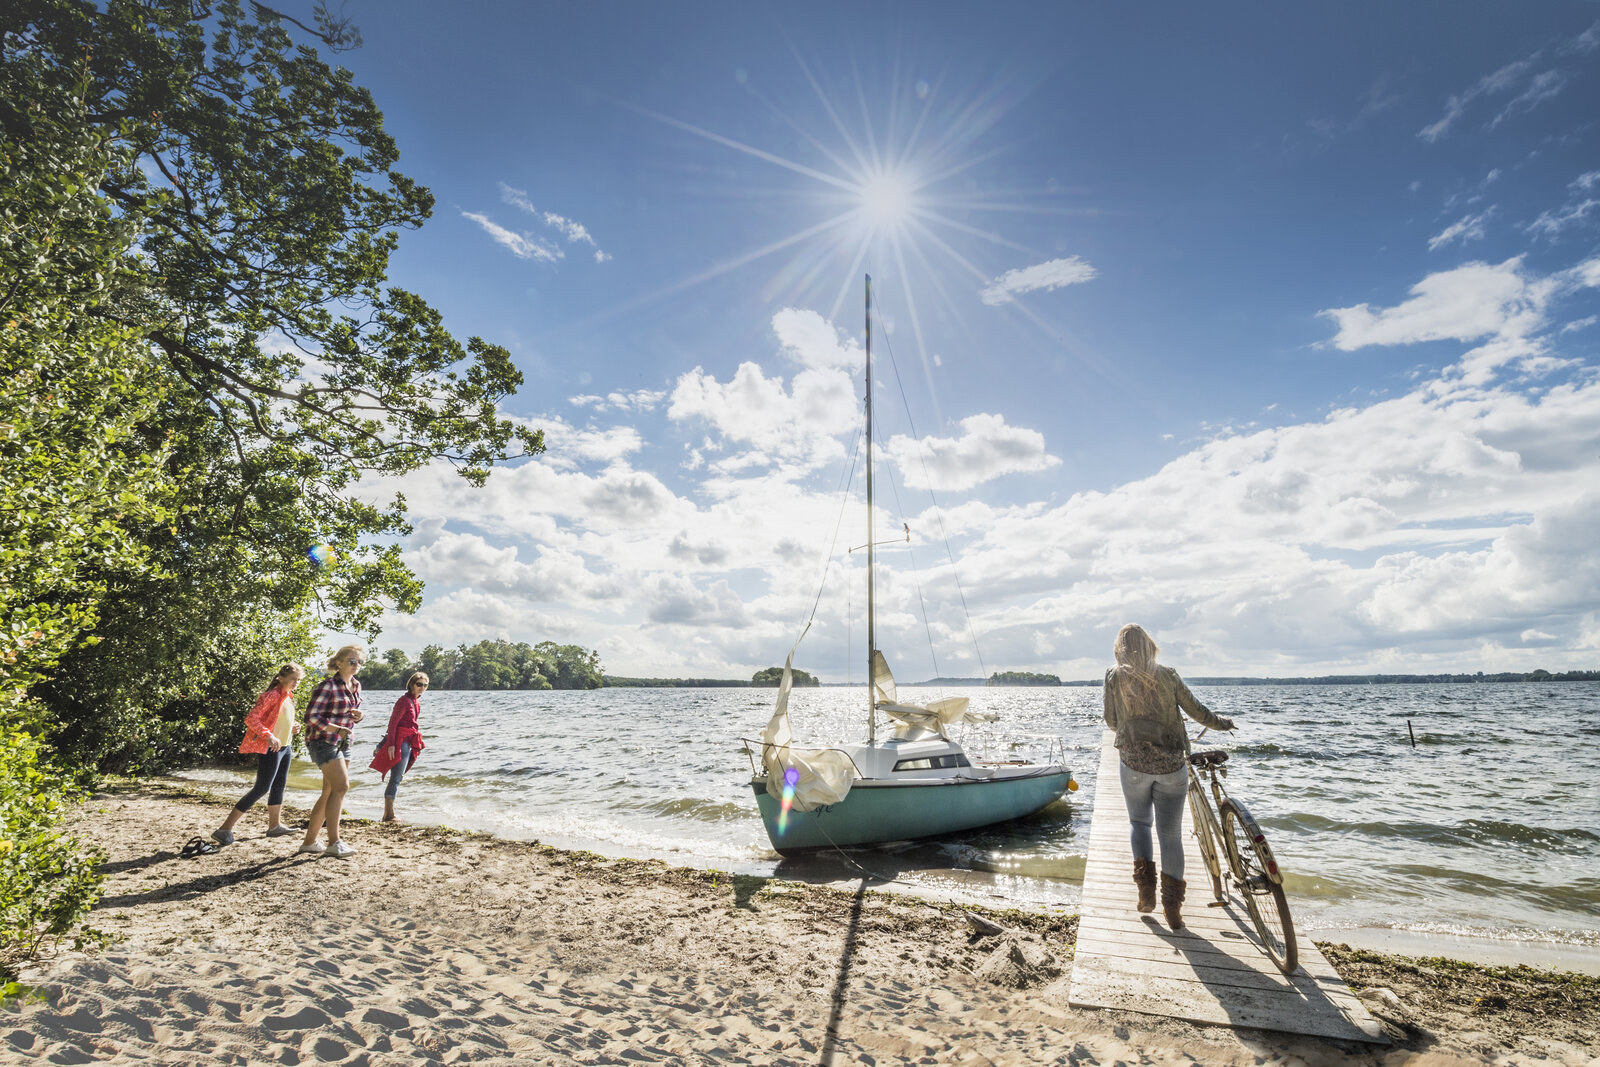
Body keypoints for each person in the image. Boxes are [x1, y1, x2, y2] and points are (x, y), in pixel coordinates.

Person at [1103, 623, 1234, 930]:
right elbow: (1198, 712)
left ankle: (1145, 892)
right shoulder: (1168, 675)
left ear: (1120, 648)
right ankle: (1172, 909)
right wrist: (1223, 723)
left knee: (1139, 823)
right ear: (1150, 647)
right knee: (1171, 835)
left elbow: (1111, 720)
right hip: (1171, 765)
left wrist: (1129, 727)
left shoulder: (1113, 676)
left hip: (1133, 763)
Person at [212, 663, 305, 845]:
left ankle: (274, 826)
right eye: (293, 679)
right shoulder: (271, 695)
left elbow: (279, 719)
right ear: (281, 678)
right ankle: (224, 829)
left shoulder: (288, 697)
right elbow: (251, 718)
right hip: (271, 748)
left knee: (279, 786)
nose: (296, 683)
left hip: (286, 747)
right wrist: (268, 736)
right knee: (262, 788)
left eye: (299, 680)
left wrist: (293, 726)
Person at [299, 645, 365, 859]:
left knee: (329, 791)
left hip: (344, 743)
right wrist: (337, 728)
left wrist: (358, 716)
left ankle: (309, 842)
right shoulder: (327, 686)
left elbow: (349, 713)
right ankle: (334, 842)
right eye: (352, 661)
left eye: (359, 662)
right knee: (341, 786)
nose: (356, 666)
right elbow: (311, 717)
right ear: (339, 662)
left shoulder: (356, 685)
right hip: (322, 741)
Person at [371, 671, 428, 822]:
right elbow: (393, 724)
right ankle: (388, 814)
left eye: (425, 685)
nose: (422, 687)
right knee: (396, 777)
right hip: (399, 742)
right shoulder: (403, 701)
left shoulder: (416, 701)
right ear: (411, 684)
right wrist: (390, 745)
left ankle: (388, 813)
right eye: (419, 684)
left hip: (409, 741)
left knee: (398, 777)